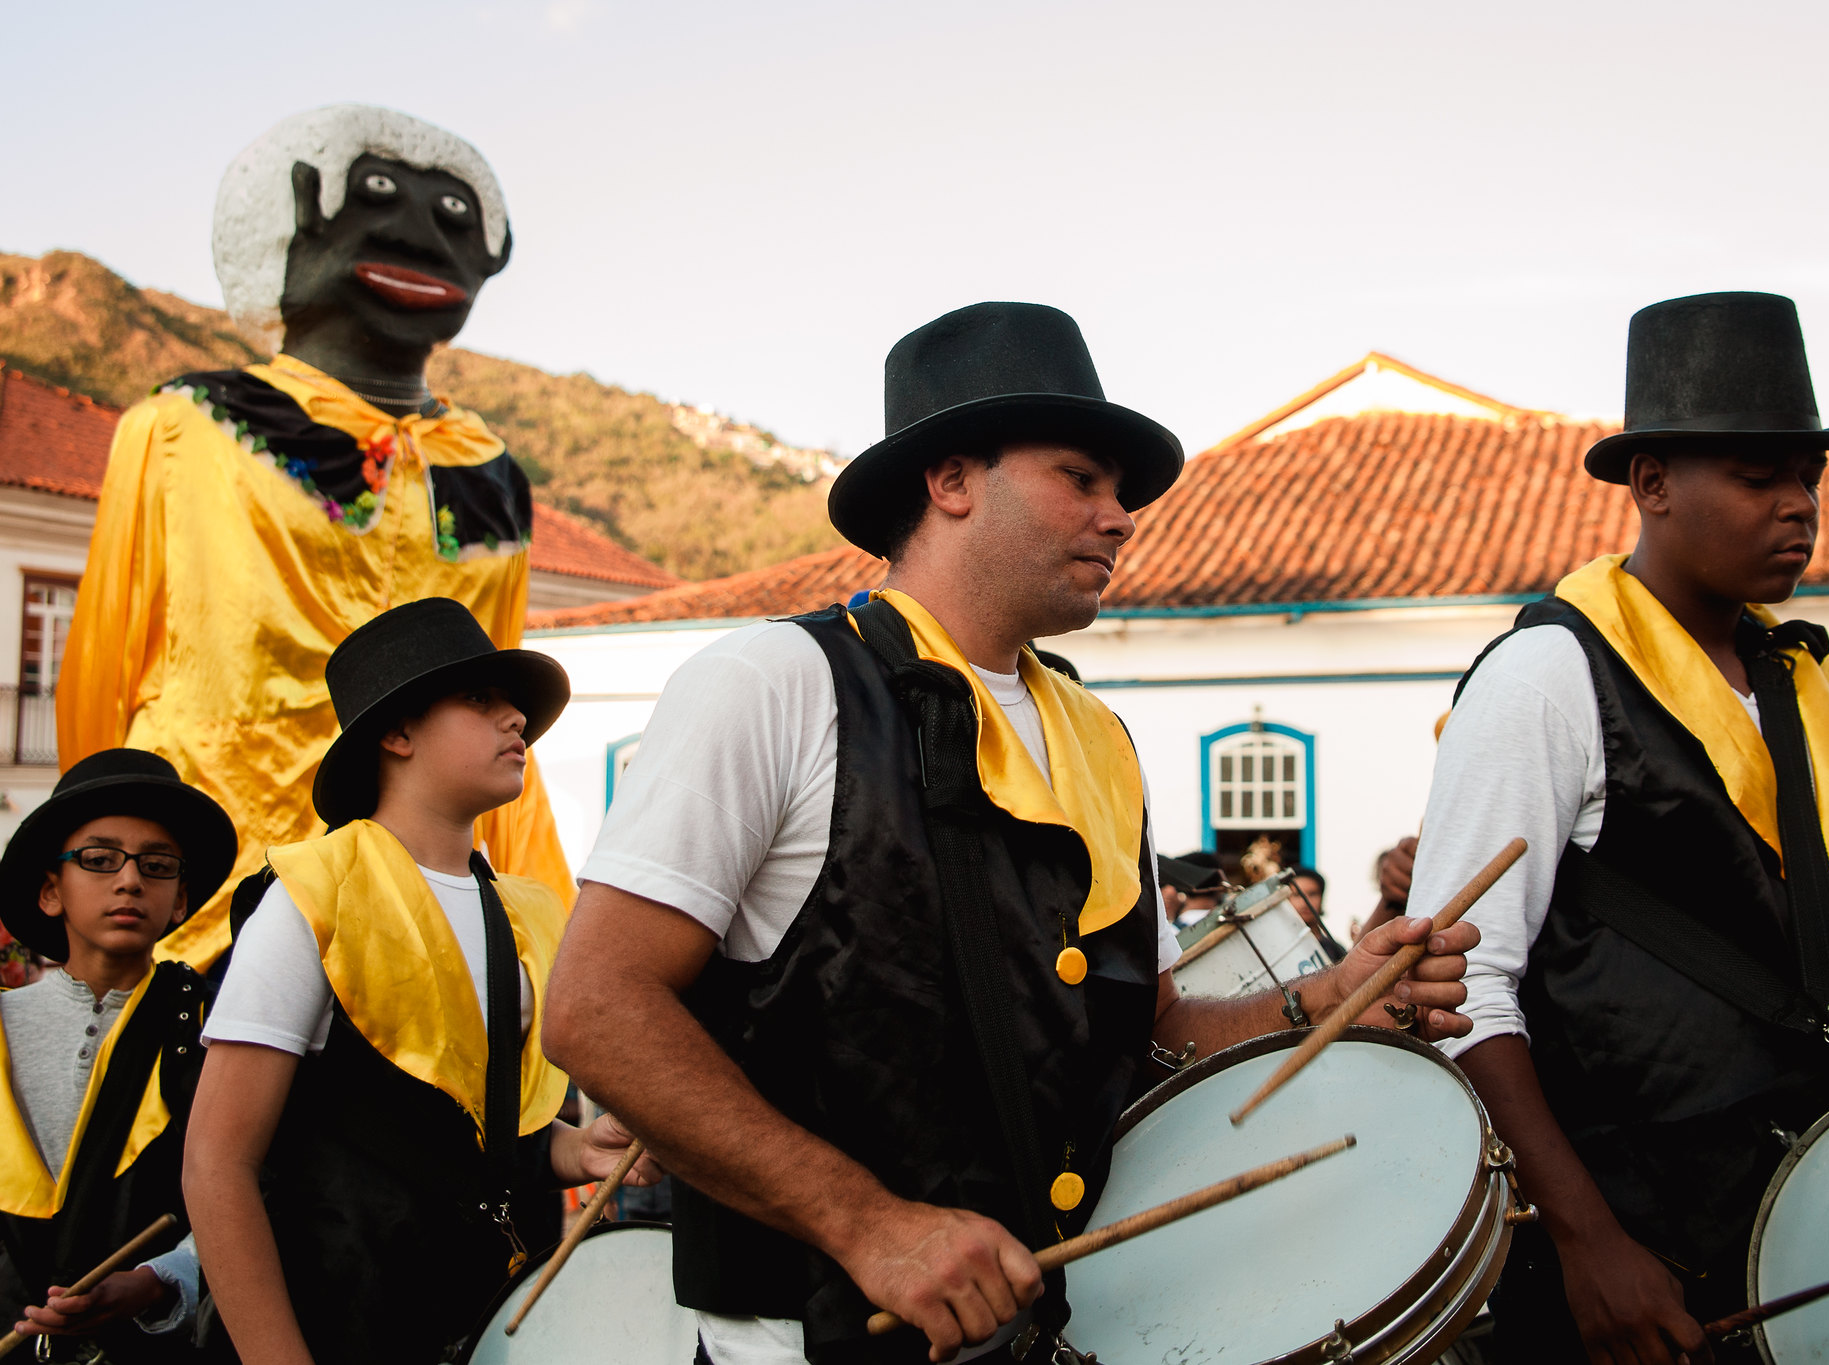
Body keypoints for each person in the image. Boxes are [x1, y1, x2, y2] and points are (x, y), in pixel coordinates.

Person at [541, 302, 1480, 1365]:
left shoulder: (1099, 736)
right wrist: (869, 1225)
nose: (1121, 516)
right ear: (949, 482)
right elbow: (594, 1009)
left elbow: (1150, 1023)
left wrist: (1335, 995)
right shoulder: (774, 684)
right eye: (1082, 479)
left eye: (1120, 492)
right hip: (802, 1340)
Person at [1404, 293, 1829, 1365]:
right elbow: (1458, 987)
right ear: (1650, 483)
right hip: (1632, 1245)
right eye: (1758, 478)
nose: (1798, 506)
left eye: (1810, 478)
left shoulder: (1798, 677)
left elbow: (1784, 934)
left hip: (1803, 1222)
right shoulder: (1545, 678)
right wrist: (1585, 1238)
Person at [55, 105, 572, 972]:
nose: (419, 236)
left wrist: (535, 912)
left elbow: (496, 690)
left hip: (425, 903)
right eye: (372, 196)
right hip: (218, 893)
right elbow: (104, 666)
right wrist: (103, 861)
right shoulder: (186, 427)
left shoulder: (490, 469)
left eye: (454, 217)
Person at [182, 600, 658, 1365]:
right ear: (396, 735)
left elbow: (470, 1134)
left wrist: (578, 1151)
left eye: (516, 708)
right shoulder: (314, 891)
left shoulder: (530, 908)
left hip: (496, 1326)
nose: (516, 722)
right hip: (343, 1322)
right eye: (479, 700)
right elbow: (216, 1161)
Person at [0, 750, 237, 1361]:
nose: (129, 880)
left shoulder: (218, 1031)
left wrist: (161, 1280)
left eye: (156, 865)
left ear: (180, 901)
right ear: (51, 891)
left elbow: (258, 1194)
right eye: (99, 860)